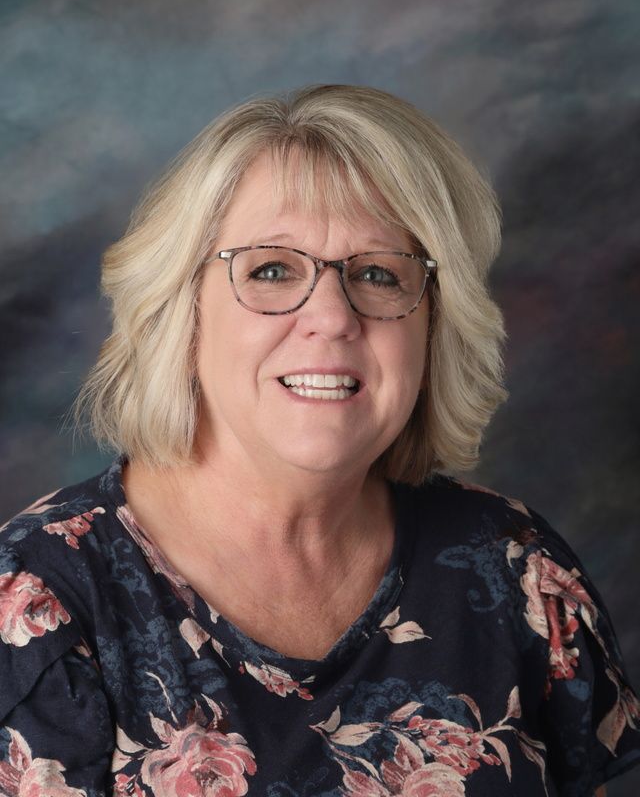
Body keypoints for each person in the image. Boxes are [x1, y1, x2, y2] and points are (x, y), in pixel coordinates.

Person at [0, 84, 638, 797]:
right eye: (272, 270)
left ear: (433, 323)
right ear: (180, 311)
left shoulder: (520, 571)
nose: (332, 317)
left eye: (378, 273)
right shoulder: (36, 606)